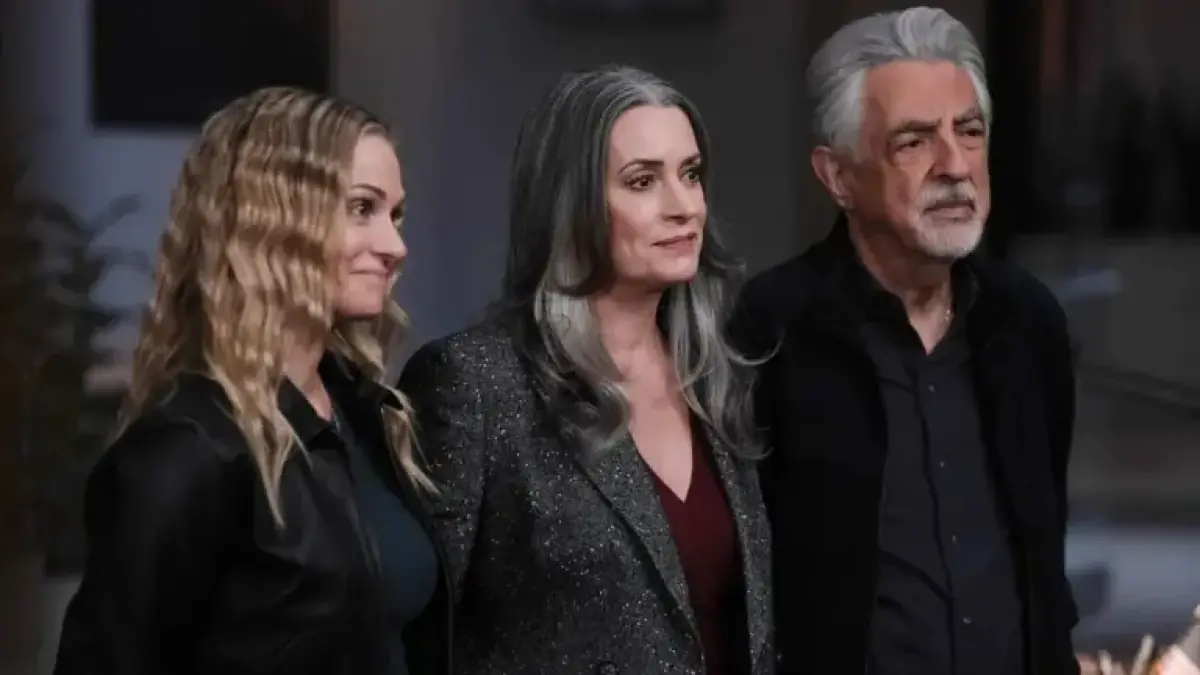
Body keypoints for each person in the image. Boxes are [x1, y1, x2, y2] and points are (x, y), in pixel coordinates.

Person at [54, 87, 452, 675]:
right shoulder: (188, 449)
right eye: (362, 209)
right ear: (272, 220)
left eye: (395, 215)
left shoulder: (368, 414)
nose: (395, 246)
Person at [730, 8, 1079, 675]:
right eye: (914, 141)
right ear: (838, 177)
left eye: (969, 132)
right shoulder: (770, 330)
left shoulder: (1028, 321)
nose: (955, 165)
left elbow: (1044, 559)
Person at [399, 65, 774, 675]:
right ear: (568, 205)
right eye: (642, 181)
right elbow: (420, 640)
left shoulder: (714, 375)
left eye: (691, 174)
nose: (683, 207)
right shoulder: (476, 383)